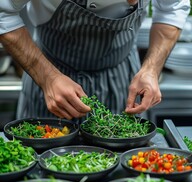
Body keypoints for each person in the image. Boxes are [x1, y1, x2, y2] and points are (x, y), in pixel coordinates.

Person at [0, 0, 190, 122]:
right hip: (49, 76)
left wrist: (151, 69)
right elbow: (3, 11)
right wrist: (47, 77)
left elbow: (172, 8)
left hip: (123, 78)